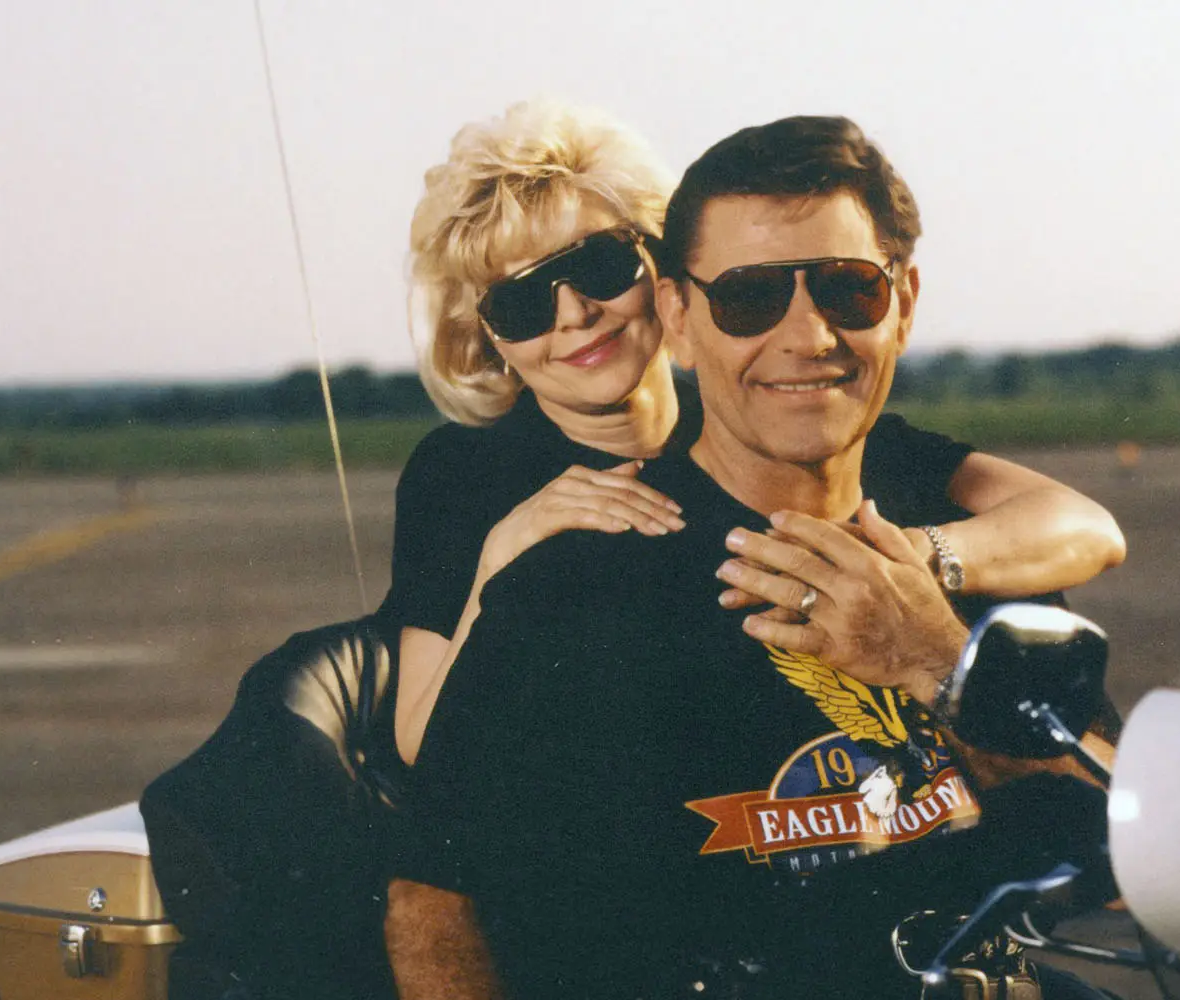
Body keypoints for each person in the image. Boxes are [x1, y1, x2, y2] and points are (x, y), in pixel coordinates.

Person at [385, 115, 1120, 1000]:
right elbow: (434, 896)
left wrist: (931, 649)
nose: (807, 338)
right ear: (683, 317)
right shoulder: (562, 568)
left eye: (850, 291)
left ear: (906, 305)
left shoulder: (928, 522)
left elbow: (1118, 850)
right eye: (749, 297)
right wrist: (503, 562)